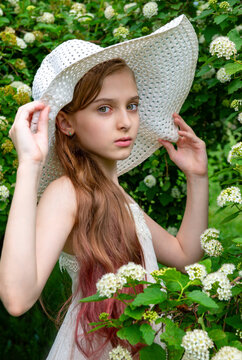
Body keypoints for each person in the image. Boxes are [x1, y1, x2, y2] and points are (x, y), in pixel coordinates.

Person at [0, 15, 208, 360]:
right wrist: (30, 165)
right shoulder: (68, 192)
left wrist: (197, 178)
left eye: (132, 105)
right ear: (65, 123)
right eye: (104, 108)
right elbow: (17, 298)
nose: (125, 121)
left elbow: (185, 256)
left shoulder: (115, 195)